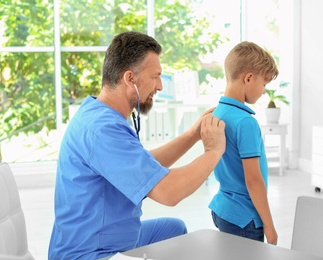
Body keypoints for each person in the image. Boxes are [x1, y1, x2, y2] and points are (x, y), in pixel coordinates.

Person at [48, 31, 226, 259]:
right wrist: (213, 151)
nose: (160, 86)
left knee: (174, 229)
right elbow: (168, 192)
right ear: (130, 78)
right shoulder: (102, 130)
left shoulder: (99, 114)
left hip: (108, 234)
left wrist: (193, 135)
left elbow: (142, 167)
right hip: (91, 252)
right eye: (156, 76)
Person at [208, 41, 279, 245]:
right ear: (248, 78)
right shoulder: (246, 122)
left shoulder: (218, 112)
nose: (264, 91)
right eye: (264, 84)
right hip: (245, 218)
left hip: (224, 209)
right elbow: (253, 180)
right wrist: (270, 226)